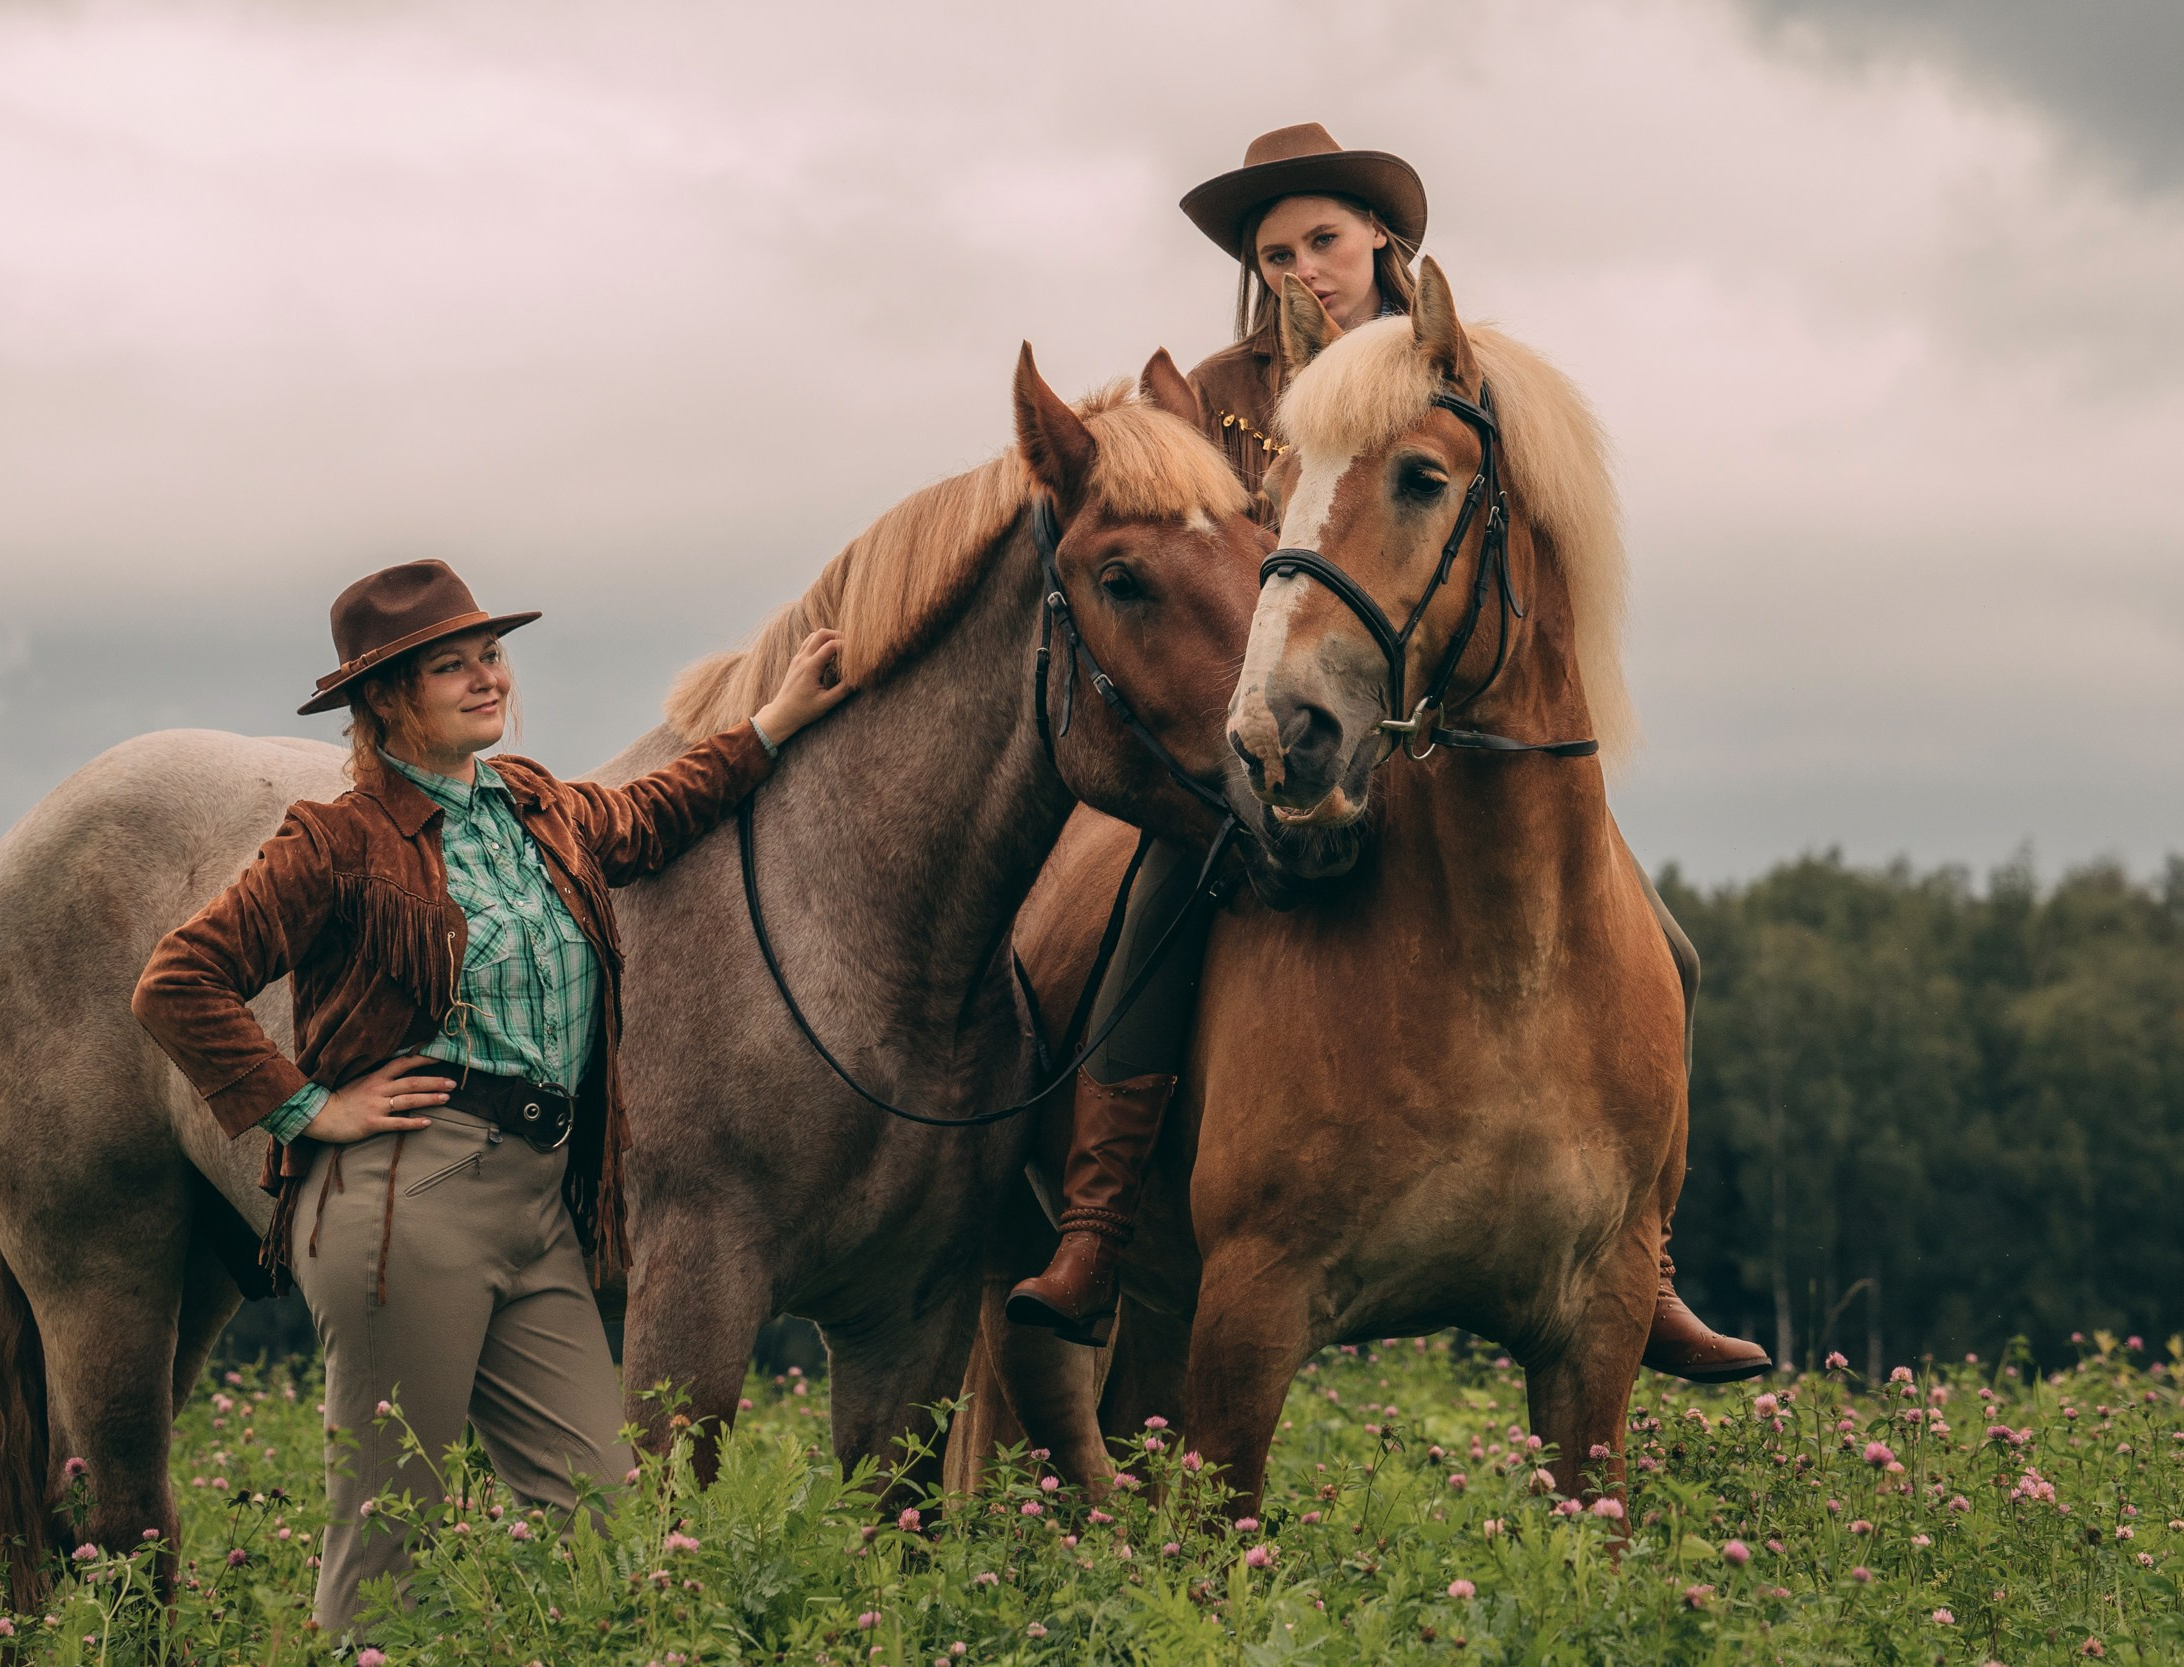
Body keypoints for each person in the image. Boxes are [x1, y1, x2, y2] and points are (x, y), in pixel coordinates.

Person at [1006, 125, 1771, 1385]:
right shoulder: (1222, 392)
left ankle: (1646, 1252)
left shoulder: (1455, 372)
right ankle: (1093, 1225)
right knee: (1147, 909)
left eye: (1322, 239)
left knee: (1663, 945)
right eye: (1275, 252)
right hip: (1286, 713)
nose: (1302, 266)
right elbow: (1199, 556)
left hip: (1446, 728)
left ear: (1381, 241)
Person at [132, 560, 848, 1631]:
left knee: (607, 1526)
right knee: (386, 1537)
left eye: (490, 656)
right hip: (402, 1203)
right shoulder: (336, 841)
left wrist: (778, 716)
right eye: (449, 665)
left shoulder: (535, 806)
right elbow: (178, 980)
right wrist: (304, 1108)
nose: (486, 678)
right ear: (385, 698)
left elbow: (657, 812)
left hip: (535, 1203)